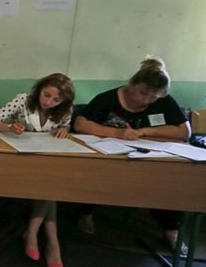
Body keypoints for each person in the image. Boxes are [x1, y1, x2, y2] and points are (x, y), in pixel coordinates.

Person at [74, 56, 191, 254]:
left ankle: (170, 229)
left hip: (150, 160)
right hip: (109, 158)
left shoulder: (165, 102)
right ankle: (86, 213)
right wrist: (116, 133)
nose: (146, 100)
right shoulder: (108, 99)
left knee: (168, 179)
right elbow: (80, 124)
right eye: (143, 93)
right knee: (93, 171)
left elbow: (184, 132)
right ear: (132, 84)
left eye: (153, 97)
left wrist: (146, 131)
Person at [0, 73, 75, 267]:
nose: (48, 101)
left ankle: (34, 232)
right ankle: (51, 241)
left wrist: (64, 130)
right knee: (51, 187)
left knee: (51, 182)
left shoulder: (65, 110)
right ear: (40, 89)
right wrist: (9, 127)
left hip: (49, 161)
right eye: (46, 94)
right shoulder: (23, 100)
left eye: (55, 99)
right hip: (22, 160)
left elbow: (65, 127)